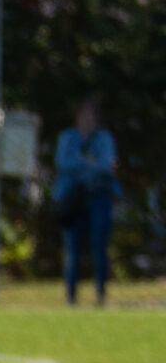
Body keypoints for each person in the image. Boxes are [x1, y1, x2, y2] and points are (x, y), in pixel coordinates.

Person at [54, 97, 120, 307]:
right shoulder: (68, 137)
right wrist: (88, 163)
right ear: (77, 115)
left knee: (99, 246)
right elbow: (62, 163)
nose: (88, 117)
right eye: (84, 113)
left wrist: (83, 165)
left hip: (98, 197)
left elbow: (106, 165)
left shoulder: (104, 138)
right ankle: (71, 296)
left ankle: (100, 294)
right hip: (73, 199)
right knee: (73, 249)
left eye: (91, 113)